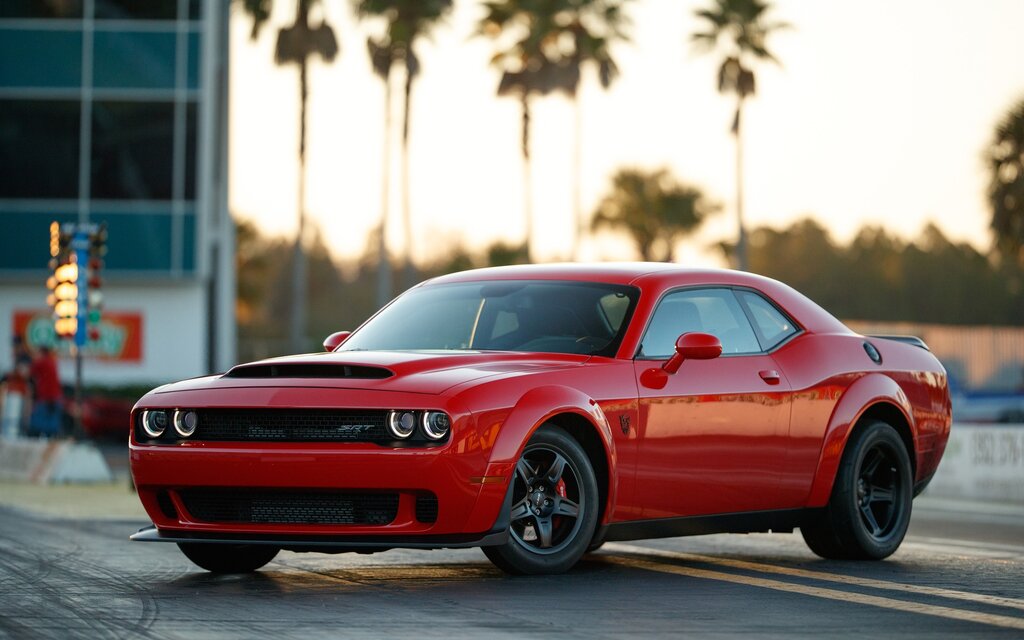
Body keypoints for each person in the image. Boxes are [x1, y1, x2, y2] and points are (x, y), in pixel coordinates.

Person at [28, 346, 63, 438]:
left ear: (42, 353)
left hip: (45, 398)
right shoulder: (52, 362)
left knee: (37, 424)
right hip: (55, 397)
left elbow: (28, 372)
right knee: (52, 425)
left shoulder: (42, 362)